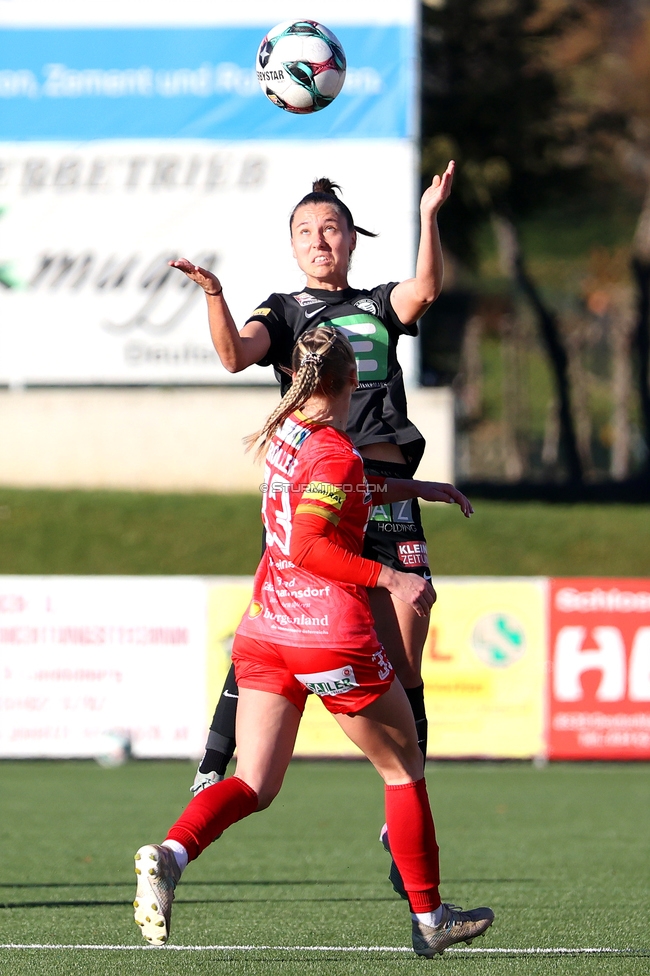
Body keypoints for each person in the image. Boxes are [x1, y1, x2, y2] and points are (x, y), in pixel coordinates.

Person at [133, 326, 493, 957]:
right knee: (404, 767)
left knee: (254, 782)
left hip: (263, 634)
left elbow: (336, 498)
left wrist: (418, 489)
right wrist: (391, 576)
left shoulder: (286, 432)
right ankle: (431, 918)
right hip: (326, 636)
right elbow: (309, 543)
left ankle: (170, 854)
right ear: (353, 382)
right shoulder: (335, 452)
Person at [170, 164, 454, 789]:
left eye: (331, 229)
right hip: (318, 499)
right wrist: (215, 296)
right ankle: (213, 765)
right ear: (291, 245)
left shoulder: (378, 304)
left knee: (407, 659)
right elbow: (232, 356)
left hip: (384, 499)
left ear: (352, 240)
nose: (319, 240)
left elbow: (426, 291)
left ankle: (408, 797)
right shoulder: (285, 313)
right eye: (305, 231)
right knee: (269, 621)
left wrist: (430, 215)